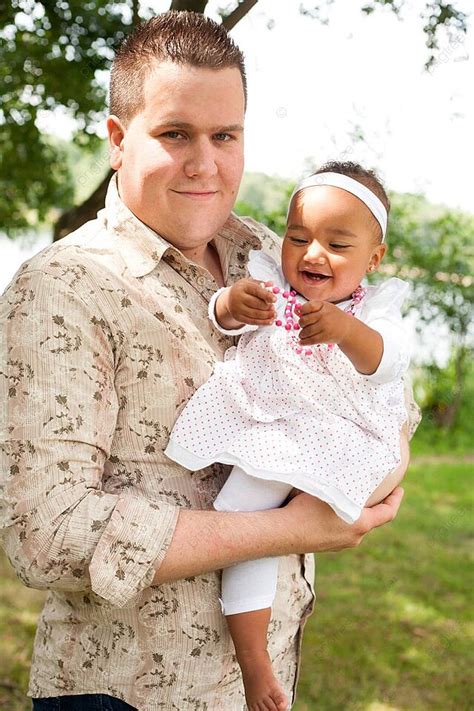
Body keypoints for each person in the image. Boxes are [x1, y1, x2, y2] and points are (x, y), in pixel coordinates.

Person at [0, 12, 419, 711]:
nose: (205, 164)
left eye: (225, 135)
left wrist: (367, 474)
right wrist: (296, 526)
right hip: (123, 693)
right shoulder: (62, 289)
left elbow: (384, 383)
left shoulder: (271, 249)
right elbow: (44, 535)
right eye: (174, 134)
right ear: (116, 139)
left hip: (257, 683)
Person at [165, 161, 412, 711]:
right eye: (298, 237)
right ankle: (255, 665)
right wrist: (229, 305)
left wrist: (347, 330)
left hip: (335, 435)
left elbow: (389, 362)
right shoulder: (271, 286)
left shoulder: (375, 313)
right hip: (271, 430)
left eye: (336, 243)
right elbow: (224, 318)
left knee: (266, 521)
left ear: (373, 258)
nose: (312, 253)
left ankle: (314, 522)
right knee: (240, 519)